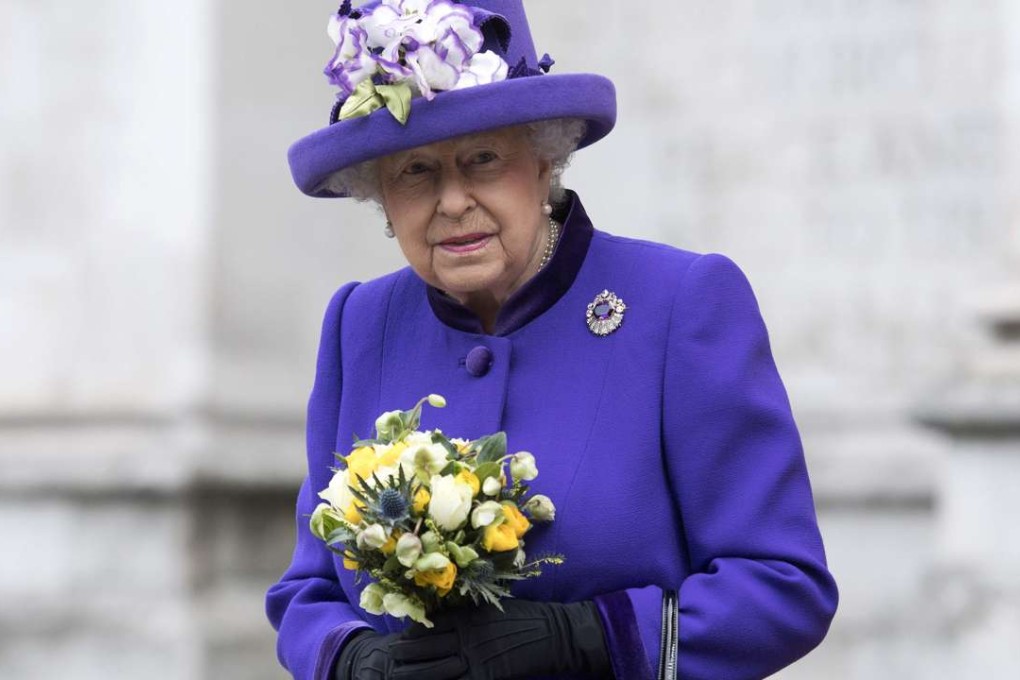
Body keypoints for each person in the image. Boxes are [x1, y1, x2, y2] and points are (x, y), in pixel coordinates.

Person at [266, 1, 838, 679]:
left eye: (482, 159)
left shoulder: (679, 303)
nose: (452, 202)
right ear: (381, 196)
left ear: (544, 161)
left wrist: (591, 636)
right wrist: (353, 658)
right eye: (415, 171)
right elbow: (308, 592)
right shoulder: (360, 324)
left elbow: (783, 585)